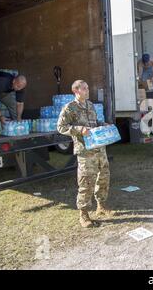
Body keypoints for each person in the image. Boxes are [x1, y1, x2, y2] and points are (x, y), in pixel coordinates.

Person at [57, 80, 115, 228]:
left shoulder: (90, 105)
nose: (87, 90)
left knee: (104, 176)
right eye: (84, 88)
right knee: (86, 181)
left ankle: (101, 206)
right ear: (76, 91)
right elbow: (61, 127)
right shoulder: (69, 108)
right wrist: (79, 129)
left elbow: (95, 123)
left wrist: (104, 125)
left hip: (99, 148)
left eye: (87, 88)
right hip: (85, 151)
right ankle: (84, 215)